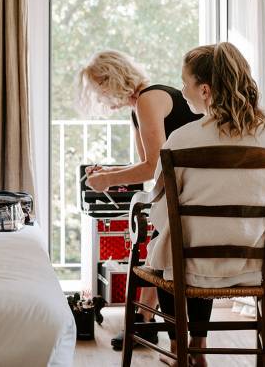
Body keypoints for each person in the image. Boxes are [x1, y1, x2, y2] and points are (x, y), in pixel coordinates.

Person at [138, 42, 265, 367]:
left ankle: (179, 349)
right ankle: (198, 346)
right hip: (250, 263)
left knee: (170, 241)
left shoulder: (182, 139)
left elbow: (159, 201)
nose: (182, 91)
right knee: (189, 237)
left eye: (184, 83)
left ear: (204, 90)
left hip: (190, 266)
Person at [75, 50, 202, 351]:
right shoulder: (140, 106)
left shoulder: (149, 98)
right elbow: (150, 166)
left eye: (100, 88)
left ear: (113, 79)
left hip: (195, 193)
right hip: (183, 192)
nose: (100, 97)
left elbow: (154, 167)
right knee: (157, 241)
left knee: (157, 244)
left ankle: (151, 324)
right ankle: (145, 318)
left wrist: (108, 180)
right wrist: (109, 172)